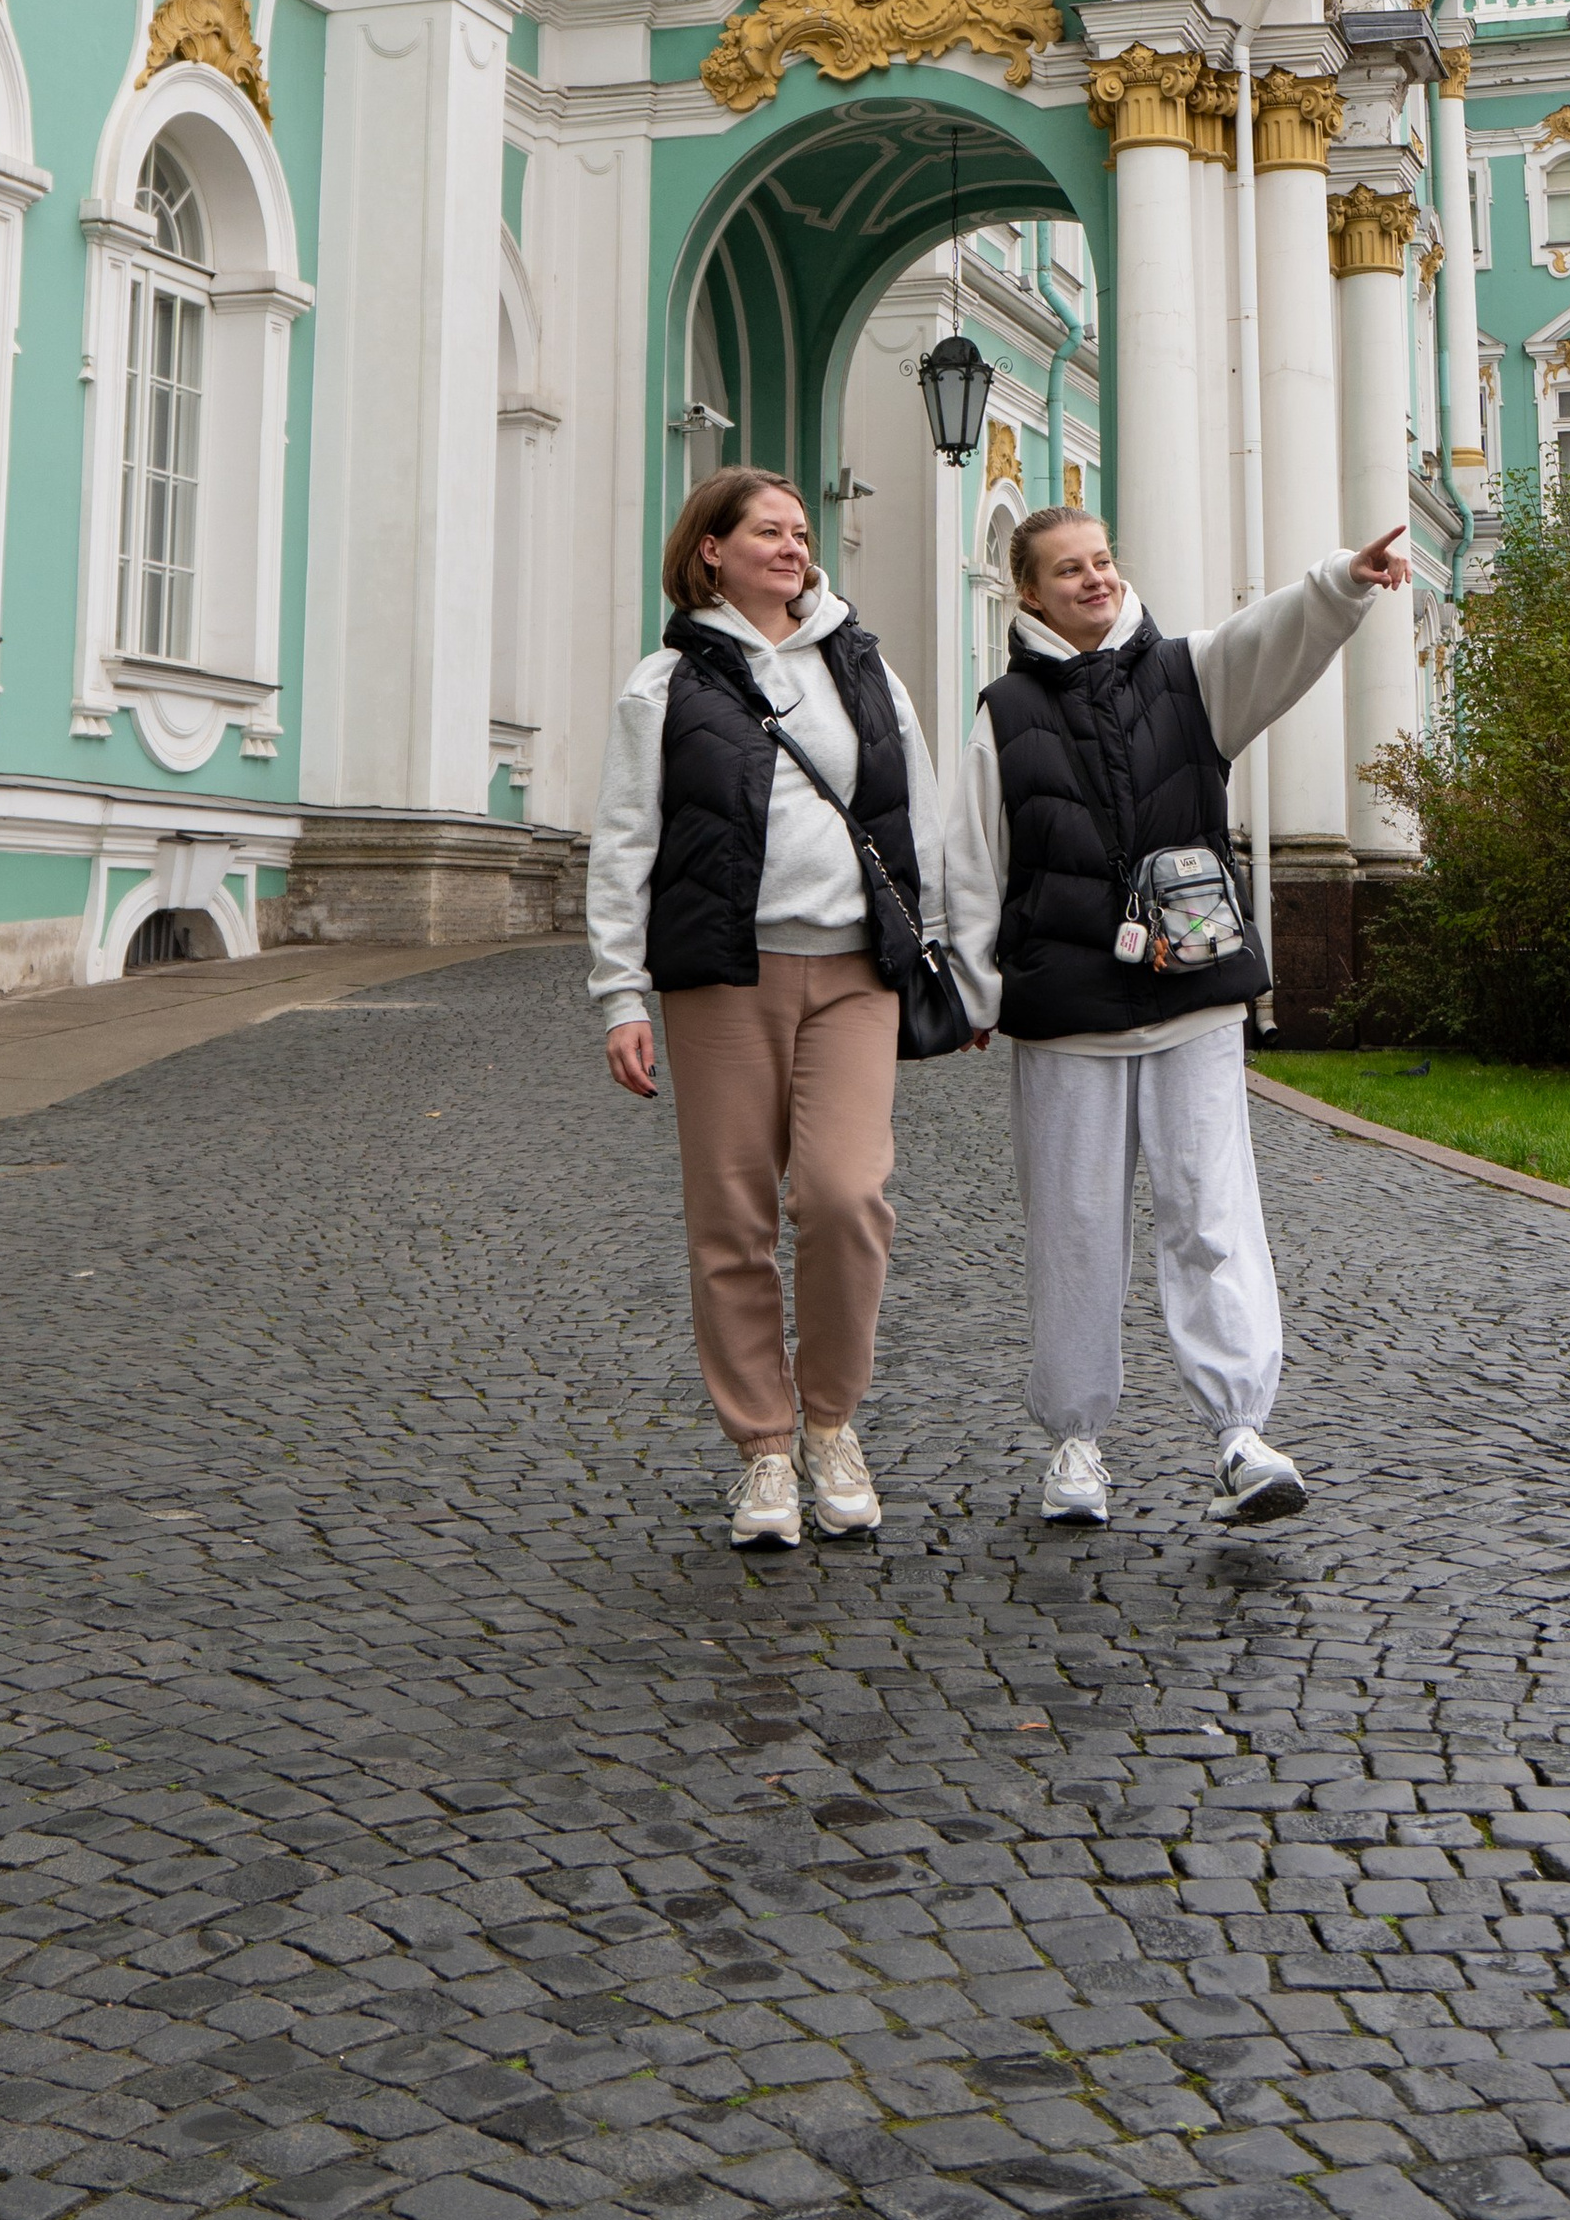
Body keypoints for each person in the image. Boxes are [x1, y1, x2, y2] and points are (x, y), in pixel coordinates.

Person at [946, 504, 1408, 1531]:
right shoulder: (1002, 713)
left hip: (1189, 998)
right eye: (1067, 570)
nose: (1094, 580)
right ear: (1027, 593)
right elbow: (972, 859)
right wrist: (976, 987)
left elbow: (1275, 637)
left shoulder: (1191, 674)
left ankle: (1241, 1437)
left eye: (1103, 560)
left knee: (1209, 1211)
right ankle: (1074, 1443)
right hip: (1066, 1013)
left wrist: (1341, 580)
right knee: (1073, 1226)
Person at [588, 466, 950, 1552]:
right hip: (722, 977)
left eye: (801, 532)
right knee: (731, 1220)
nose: (794, 548)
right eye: (768, 533)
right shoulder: (663, 685)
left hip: (853, 972)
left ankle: (831, 1423)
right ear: (711, 547)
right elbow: (625, 845)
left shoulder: (861, 663)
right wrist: (619, 991)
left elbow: (915, 809)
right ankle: (762, 1446)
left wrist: (941, 950)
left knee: (846, 1198)